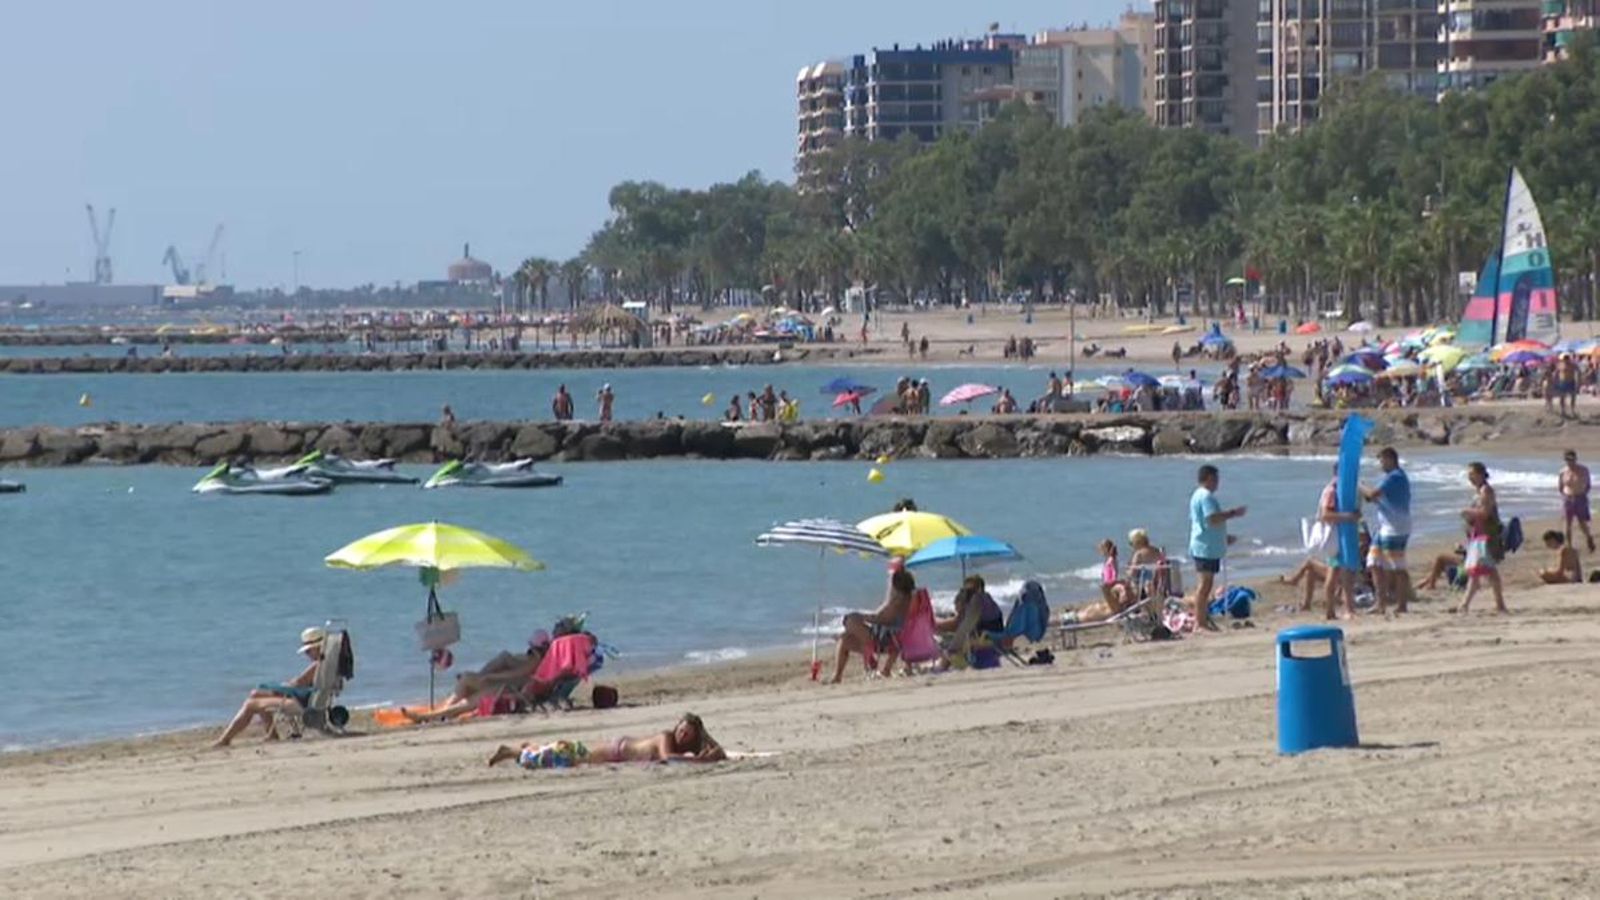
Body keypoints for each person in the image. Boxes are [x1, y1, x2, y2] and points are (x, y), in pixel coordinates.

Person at [213, 627, 325, 748]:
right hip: (304, 698)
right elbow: (300, 683)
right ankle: (271, 734)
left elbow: (297, 683)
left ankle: (225, 739)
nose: (306, 654)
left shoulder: (317, 665)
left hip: (301, 703)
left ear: (318, 647)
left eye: (308, 651)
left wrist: (283, 686)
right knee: (256, 694)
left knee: (250, 704)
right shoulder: (325, 663)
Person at [488, 713, 725, 769]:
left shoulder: (679, 746)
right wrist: (704, 761)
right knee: (557, 757)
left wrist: (710, 752)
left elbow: (713, 747)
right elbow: (667, 758)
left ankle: (525, 747)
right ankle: (513, 752)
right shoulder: (666, 738)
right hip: (614, 751)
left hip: (615, 752)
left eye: (687, 734)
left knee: (564, 753)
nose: (682, 734)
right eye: (681, 730)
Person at [831, 567, 916, 683]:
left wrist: (860, 617)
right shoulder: (908, 599)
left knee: (850, 620)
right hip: (889, 637)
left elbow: (881, 618)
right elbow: (882, 618)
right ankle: (838, 676)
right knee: (844, 638)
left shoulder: (897, 602)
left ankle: (867, 653)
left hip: (886, 639)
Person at [1189, 465, 1246, 632]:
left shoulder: (1198, 496)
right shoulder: (1205, 496)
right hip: (1204, 547)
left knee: (1206, 584)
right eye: (1215, 479)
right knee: (1205, 585)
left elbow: (1204, 523)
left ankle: (1202, 619)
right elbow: (1212, 518)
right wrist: (1233, 513)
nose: (1217, 483)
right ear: (1208, 478)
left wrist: (1223, 538)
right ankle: (1200, 623)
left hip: (1207, 544)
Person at [1361, 447, 1414, 614]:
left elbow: (1372, 494)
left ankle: (1402, 604)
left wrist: (1358, 484)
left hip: (1396, 527)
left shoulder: (1395, 477)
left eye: (1382, 460)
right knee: (1374, 561)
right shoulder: (1390, 478)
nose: (1381, 464)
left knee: (1396, 566)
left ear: (1391, 459)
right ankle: (1380, 603)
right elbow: (1374, 498)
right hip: (1385, 525)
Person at [1456, 462, 1508, 614]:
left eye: (1472, 474)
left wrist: (1467, 512)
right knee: (1481, 570)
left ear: (1480, 474)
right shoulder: (1478, 492)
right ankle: (1496, 604)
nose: (1470, 477)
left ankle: (1466, 604)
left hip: (1486, 535)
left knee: (1482, 570)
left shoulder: (1486, 491)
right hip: (1477, 535)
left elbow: (1485, 513)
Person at [1316, 465, 1361, 620]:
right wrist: (1348, 517)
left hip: (1344, 534)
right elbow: (1325, 514)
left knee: (1336, 571)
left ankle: (1334, 610)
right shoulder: (1332, 490)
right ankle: (1340, 609)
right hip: (1337, 536)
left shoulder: (1343, 489)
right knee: (1338, 571)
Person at [936, 575, 1003, 634]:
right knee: (948, 616)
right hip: (988, 630)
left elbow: (958, 622)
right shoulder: (987, 599)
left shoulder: (979, 600)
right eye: (965, 591)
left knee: (944, 623)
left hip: (984, 634)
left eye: (969, 591)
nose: (967, 593)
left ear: (979, 589)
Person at [1559, 449, 1595, 553]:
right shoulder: (1563, 472)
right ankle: (1569, 546)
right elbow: (1561, 487)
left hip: (1580, 497)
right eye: (1568, 459)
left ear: (1575, 459)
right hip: (1568, 498)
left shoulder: (1583, 470)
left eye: (1572, 459)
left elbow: (1588, 485)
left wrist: (1582, 493)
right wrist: (1566, 495)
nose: (1570, 462)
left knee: (1581, 522)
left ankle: (1589, 537)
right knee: (1567, 523)